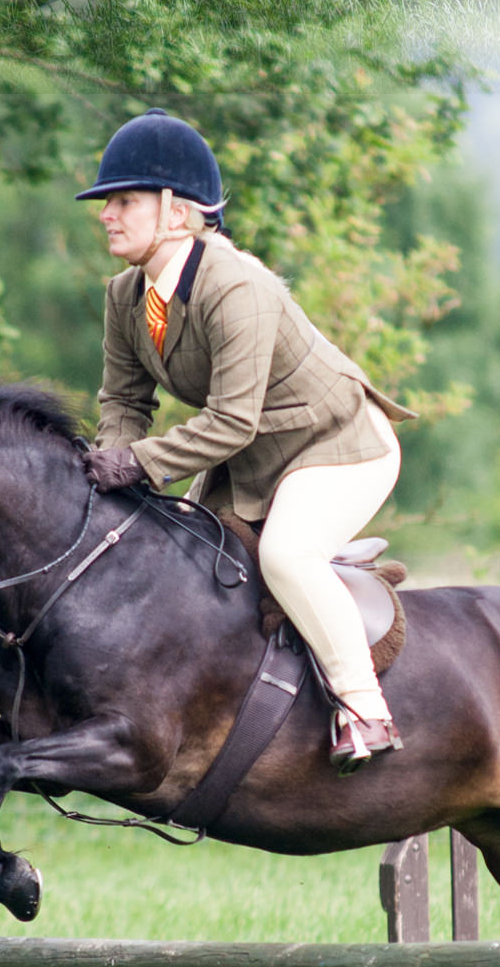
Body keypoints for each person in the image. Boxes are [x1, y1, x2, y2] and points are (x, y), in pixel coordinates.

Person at [77, 112, 417, 769]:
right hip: (252, 459)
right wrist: (108, 464)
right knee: (180, 556)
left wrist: (138, 463)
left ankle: (364, 709)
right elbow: (124, 401)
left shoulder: (237, 286)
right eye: (108, 202)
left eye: (124, 201)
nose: (107, 215)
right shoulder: (126, 296)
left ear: (177, 213)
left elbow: (233, 418)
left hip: (339, 445)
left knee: (287, 557)